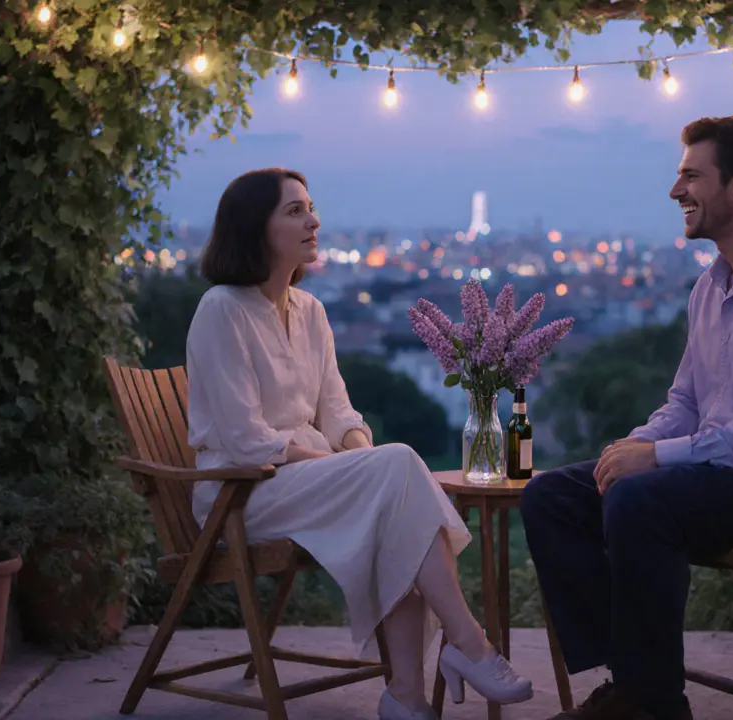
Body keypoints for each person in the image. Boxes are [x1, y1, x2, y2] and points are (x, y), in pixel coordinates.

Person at [520, 116, 733, 720]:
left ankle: (652, 705)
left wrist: (655, 459)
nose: (676, 192)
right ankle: (631, 681)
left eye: (691, 176)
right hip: (721, 480)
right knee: (553, 495)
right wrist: (633, 446)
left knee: (638, 501)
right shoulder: (712, 285)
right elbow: (686, 404)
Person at [185, 168, 534, 720]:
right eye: (294, 211)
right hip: (241, 493)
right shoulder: (222, 310)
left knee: (392, 504)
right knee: (392, 469)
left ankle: (407, 699)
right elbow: (247, 441)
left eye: (311, 207)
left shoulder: (311, 312)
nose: (313, 220)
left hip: (308, 483)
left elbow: (339, 412)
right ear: (256, 228)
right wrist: (348, 465)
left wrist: (353, 451)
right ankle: (468, 644)